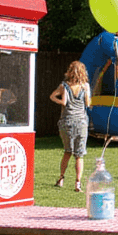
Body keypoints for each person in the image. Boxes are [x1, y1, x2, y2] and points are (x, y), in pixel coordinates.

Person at [49, 61, 91, 192]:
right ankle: (77, 184)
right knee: (79, 155)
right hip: (81, 122)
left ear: (70, 71)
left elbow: (52, 96)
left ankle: (61, 179)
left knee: (67, 151)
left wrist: (61, 101)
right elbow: (88, 104)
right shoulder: (85, 87)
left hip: (66, 122)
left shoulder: (64, 86)